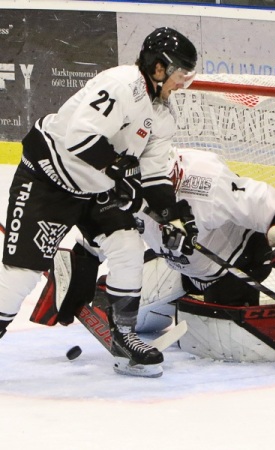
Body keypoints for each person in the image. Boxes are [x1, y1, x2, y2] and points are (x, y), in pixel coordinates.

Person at [0, 27, 199, 377]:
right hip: (50, 180)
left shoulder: (163, 115)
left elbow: (152, 176)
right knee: (21, 276)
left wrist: (173, 217)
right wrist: (120, 168)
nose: (182, 83)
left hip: (96, 189)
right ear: (158, 68)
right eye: (180, 74)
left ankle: (123, 334)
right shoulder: (121, 84)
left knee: (127, 246)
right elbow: (80, 136)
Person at [35, 147, 275, 365]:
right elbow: (100, 238)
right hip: (177, 263)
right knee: (111, 302)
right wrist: (80, 268)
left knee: (214, 342)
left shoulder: (206, 181)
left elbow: (265, 204)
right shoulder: (124, 188)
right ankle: (172, 299)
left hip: (233, 265)